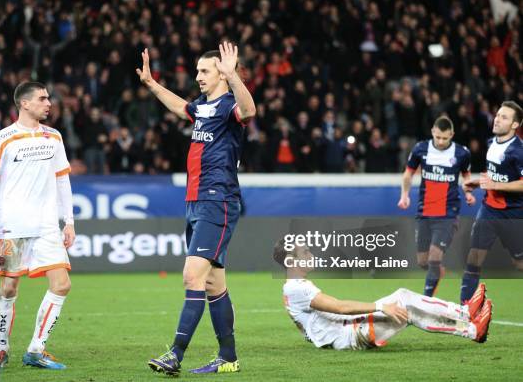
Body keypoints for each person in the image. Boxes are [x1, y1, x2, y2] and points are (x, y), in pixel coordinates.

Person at [137, 42, 256, 375]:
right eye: (198, 71)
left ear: (221, 73)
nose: (197, 76)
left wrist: (235, 78)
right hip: (195, 200)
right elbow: (181, 107)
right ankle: (228, 358)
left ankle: (175, 354)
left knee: (192, 275)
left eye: (204, 71)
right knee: (214, 283)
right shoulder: (203, 105)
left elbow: (249, 112)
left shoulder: (231, 104)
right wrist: (151, 84)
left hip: (217, 199)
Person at [0, 82, 75, 370]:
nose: (48, 103)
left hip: (46, 226)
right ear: (25, 104)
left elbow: (62, 179)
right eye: (42, 99)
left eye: (48, 98)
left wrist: (69, 221)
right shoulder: (2, 139)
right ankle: (0, 348)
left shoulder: (54, 137)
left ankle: (36, 349)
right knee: (8, 287)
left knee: (62, 284)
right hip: (10, 226)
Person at [273, 240, 492, 350]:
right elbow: (339, 307)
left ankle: (467, 318)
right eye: (304, 252)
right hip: (350, 334)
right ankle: (469, 325)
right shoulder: (297, 288)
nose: (311, 254)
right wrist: (380, 306)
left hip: (349, 329)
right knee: (405, 306)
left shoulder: (294, 286)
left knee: (404, 300)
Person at [398, 116, 476, 296]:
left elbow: (466, 176)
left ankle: (427, 301)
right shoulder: (420, 149)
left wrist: (469, 193)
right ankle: (437, 271)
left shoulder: (461, 153)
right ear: (433, 132)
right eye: (438, 137)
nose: (440, 142)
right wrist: (404, 196)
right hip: (425, 211)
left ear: (452, 135)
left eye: (445, 138)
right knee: (423, 261)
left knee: (434, 256)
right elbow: (408, 174)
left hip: (448, 213)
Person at [460, 101, 523, 303]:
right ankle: (464, 309)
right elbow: (496, 175)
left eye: (504, 117)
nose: (497, 119)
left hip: (513, 214)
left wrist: (495, 185)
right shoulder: (491, 143)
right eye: (497, 115)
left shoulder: (519, 151)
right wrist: (479, 183)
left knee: (519, 263)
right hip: (488, 210)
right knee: (474, 257)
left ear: (515, 125)